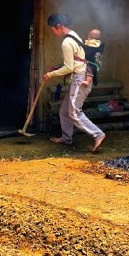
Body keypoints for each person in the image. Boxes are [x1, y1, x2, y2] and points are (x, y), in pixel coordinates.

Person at [43, 13, 105, 152]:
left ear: (58, 26)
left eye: (53, 29)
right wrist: (59, 66)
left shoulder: (66, 42)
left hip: (80, 78)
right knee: (64, 111)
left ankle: (98, 134)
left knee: (74, 113)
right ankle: (66, 138)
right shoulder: (73, 35)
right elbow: (77, 59)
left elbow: (69, 67)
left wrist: (50, 74)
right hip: (80, 75)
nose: (53, 32)